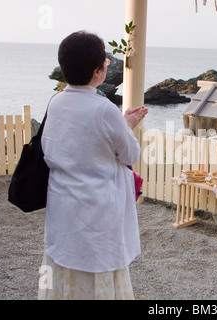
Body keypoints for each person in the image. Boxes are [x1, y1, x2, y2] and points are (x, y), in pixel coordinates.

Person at [37, 31, 148, 300]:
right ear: (98, 71)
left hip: (64, 205)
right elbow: (129, 153)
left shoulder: (56, 102)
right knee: (98, 273)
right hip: (98, 212)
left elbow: (65, 145)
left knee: (65, 267)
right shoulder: (105, 109)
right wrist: (126, 125)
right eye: (106, 64)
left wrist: (120, 124)